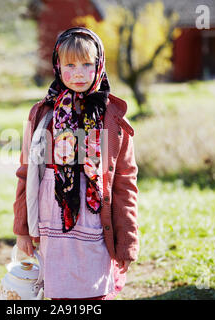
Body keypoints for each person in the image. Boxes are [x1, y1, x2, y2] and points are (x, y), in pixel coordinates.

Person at [13, 27, 139, 300]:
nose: (79, 72)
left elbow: (125, 183)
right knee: (59, 294)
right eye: (70, 64)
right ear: (58, 66)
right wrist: (21, 229)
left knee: (96, 293)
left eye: (86, 64)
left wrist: (127, 241)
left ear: (99, 65)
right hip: (54, 224)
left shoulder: (112, 118)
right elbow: (26, 174)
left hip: (97, 224)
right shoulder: (41, 114)